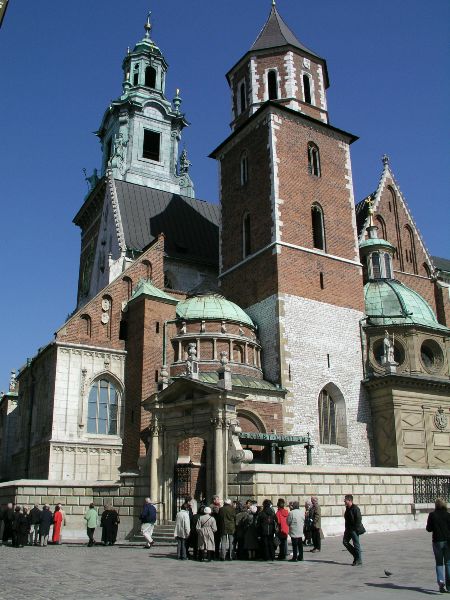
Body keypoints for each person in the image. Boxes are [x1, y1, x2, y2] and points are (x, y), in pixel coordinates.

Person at [426, 498, 450, 593]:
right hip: (448, 542)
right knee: (448, 562)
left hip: (437, 541)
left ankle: (441, 583)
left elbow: (428, 529)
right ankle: (449, 585)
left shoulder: (432, 515)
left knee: (439, 563)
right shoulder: (448, 515)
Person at [343, 494, 364, 566]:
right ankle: (356, 555)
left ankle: (359, 560)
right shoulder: (347, 508)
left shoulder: (355, 508)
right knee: (345, 542)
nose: (344, 501)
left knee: (356, 544)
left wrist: (355, 529)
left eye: (345, 500)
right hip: (348, 529)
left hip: (354, 529)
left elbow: (359, 519)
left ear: (350, 500)